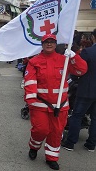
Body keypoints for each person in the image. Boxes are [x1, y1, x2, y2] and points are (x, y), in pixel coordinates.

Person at [24, 34, 87, 170]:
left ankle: (51, 157)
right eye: (46, 42)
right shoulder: (34, 61)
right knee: (40, 130)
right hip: (40, 105)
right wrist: (30, 98)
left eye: (52, 42)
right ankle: (34, 146)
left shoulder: (63, 60)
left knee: (57, 132)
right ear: (42, 44)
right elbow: (30, 81)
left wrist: (74, 57)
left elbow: (81, 70)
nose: (49, 44)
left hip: (60, 105)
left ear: (55, 44)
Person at [62, 29, 96, 152]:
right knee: (95, 118)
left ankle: (70, 143)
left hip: (86, 89)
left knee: (77, 115)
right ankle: (91, 144)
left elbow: (79, 68)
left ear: (93, 37)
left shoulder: (88, 52)